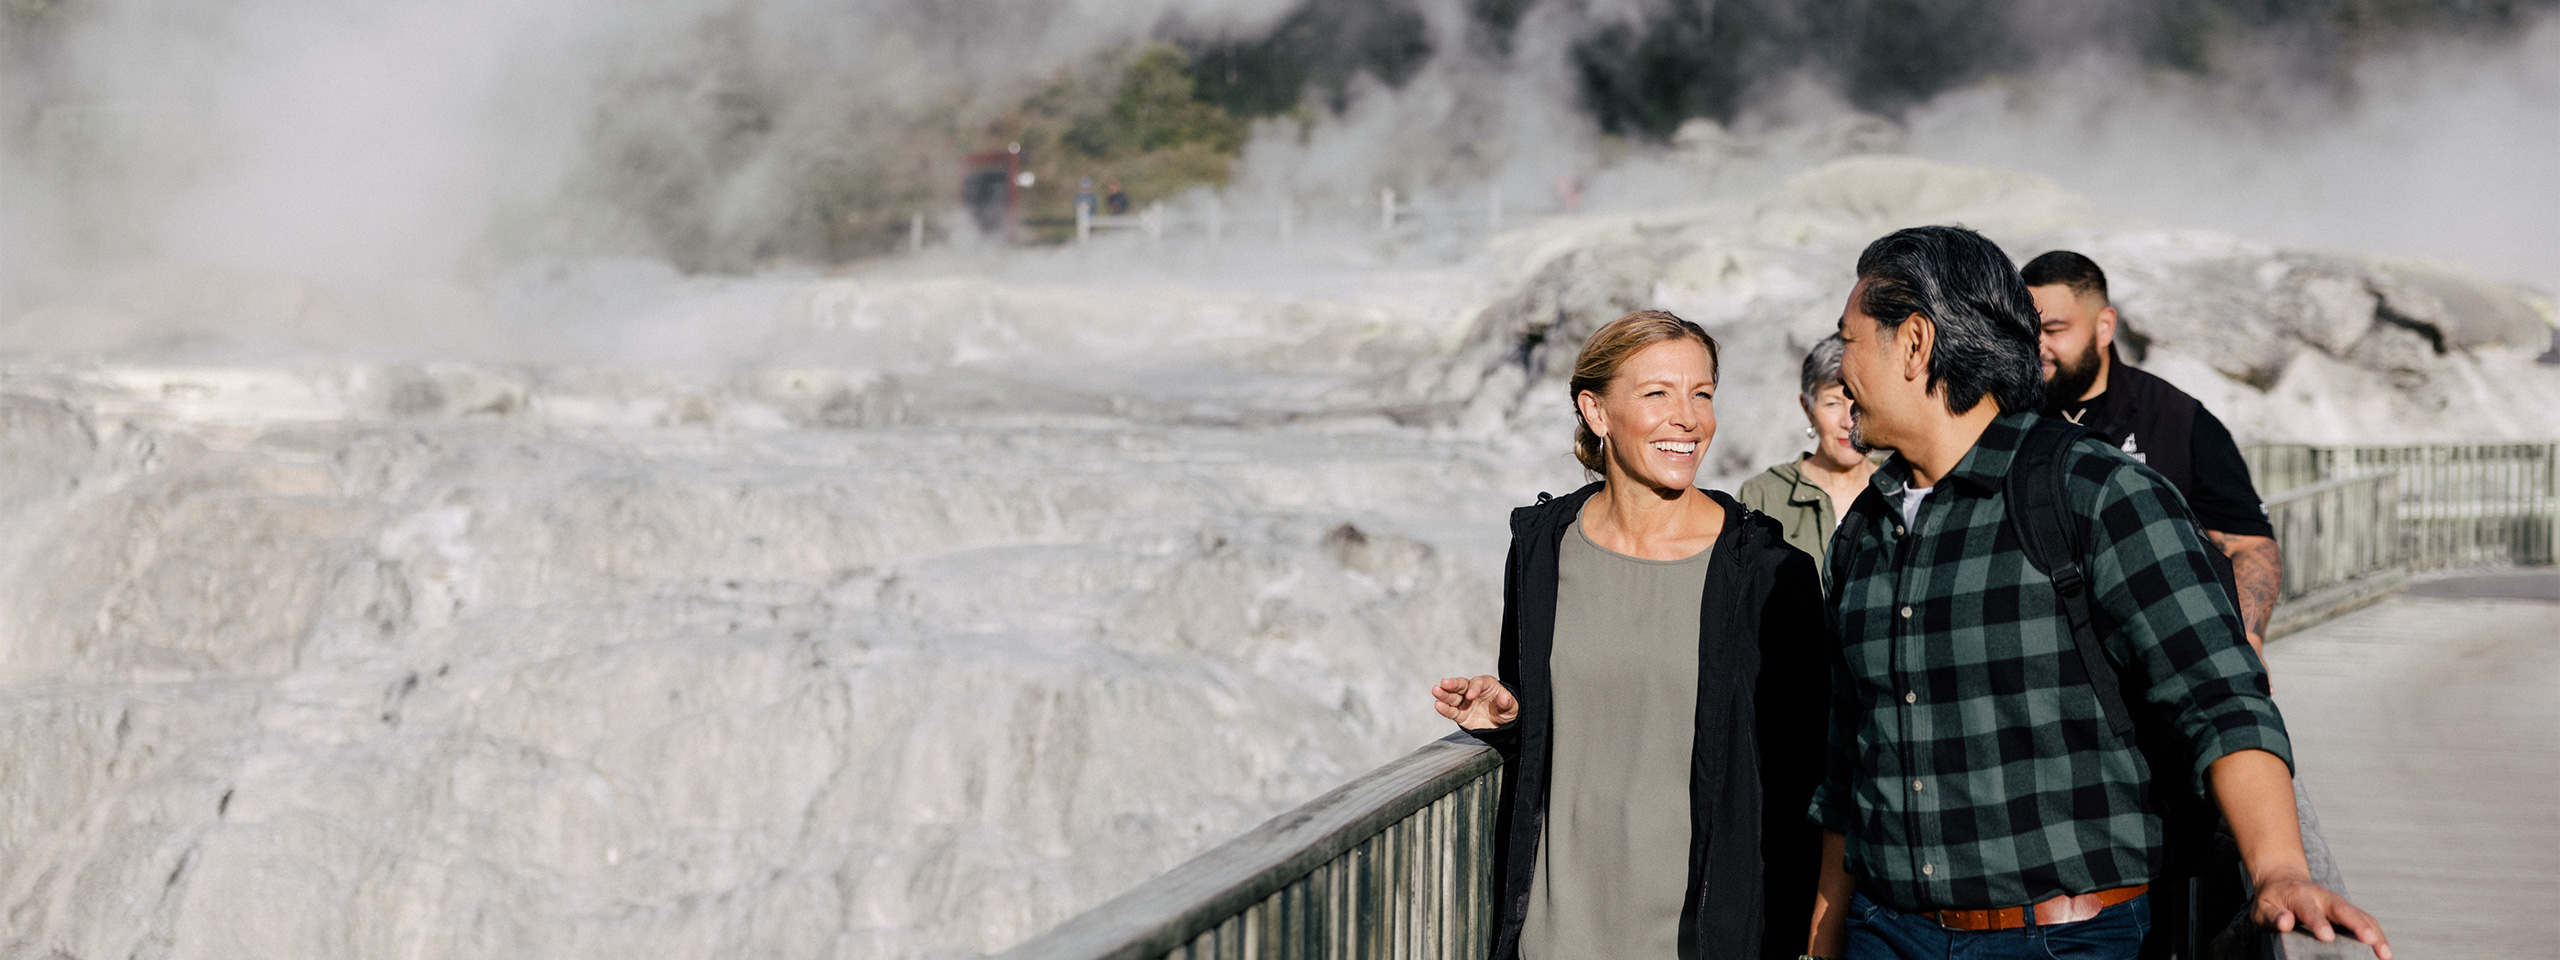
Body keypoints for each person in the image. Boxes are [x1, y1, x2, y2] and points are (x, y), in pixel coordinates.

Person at [1804, 226, 2390, 960]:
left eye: (1850, 338)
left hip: (2063, 940)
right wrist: (1825, 939)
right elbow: (1847, 762)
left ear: (1915, 343)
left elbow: (2221, 700)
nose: (1841, 365)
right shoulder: (1865, 529)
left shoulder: (2096, 494)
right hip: (1883, 935)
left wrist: (2280, 871)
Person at [1431, 309, 1830, 960]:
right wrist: (1511, 713)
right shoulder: (1541, 551)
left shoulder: (1769, 576)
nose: (1688, 417)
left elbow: (1802, 786)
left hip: (1705, 939)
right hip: (1558, 939)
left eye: (1701, 394)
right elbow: (1570, 709)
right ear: (1596, 412)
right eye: (1657, 394)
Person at [2022, 251, 2283, 659]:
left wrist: (2246, 642)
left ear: (2104, 326)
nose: (2037, 345)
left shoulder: (2179, 419)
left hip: (2156, 666)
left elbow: (2249, 543)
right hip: (2040, 668)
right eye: (2026, 330)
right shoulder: (2002, 417)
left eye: (2054, 329)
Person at [1739, 334, 1875, 583]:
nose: (1848, 422)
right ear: (1807, 408)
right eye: (1833, 403)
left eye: (1859, 399)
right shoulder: (1762, 496)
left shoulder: (1902, 487)